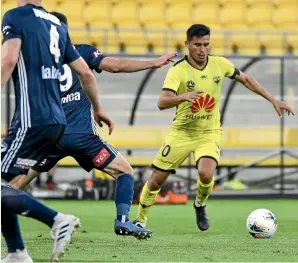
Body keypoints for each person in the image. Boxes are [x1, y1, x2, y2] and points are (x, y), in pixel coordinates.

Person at [11, 11, 177, 241]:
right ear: (65, 31)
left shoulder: (33, 56)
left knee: (15, 184)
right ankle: (122, 221)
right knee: (124, 172)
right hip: (82, 137)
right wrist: (153, 62)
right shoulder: (81, 52)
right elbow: (115, 66)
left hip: (48, 137)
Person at [133, 24, 295, 231]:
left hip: (209, 132)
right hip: (182, 133)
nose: (202, 49)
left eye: (206, 45)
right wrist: (184, 97)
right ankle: (140, 220)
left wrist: (273, 99)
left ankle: (199, 205)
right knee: (156, 181)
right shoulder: (178, 70)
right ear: (187, 44)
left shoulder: (220, 64)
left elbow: (246, 79)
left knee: (206, 174)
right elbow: (162, 102)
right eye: (197, 44)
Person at [1, 0, 109, 262]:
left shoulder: (15, 16)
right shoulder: (56, 25)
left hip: (31, 118)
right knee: (5, 185)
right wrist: (98, 108)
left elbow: (9, 59)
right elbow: (86, 73)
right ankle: (17, 252)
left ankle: (57, 220)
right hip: (55, 122)